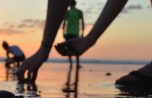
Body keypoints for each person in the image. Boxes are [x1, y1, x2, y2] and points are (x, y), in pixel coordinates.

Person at [19, 0, 152, 86]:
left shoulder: (78, 12)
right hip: (73, 33)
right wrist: (89, 39)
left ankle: (75, 65)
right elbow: (67, 21)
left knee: (72, 49)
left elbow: (79, 21)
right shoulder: (73, 12)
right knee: (71, 49)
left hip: (73, 32)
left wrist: (45, 48)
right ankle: (74, 65)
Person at [62, 1, 84, 67]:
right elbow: (82, 22)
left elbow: (64, 23)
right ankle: (77, 64)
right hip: (76, 33)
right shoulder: (79, 12)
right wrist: (82, 33)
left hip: (68, 33)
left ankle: (70, 64)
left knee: (69, 49)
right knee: (77, 48)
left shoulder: (67, 12)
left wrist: (63, 33)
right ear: (75, 4)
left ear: (69, 4)